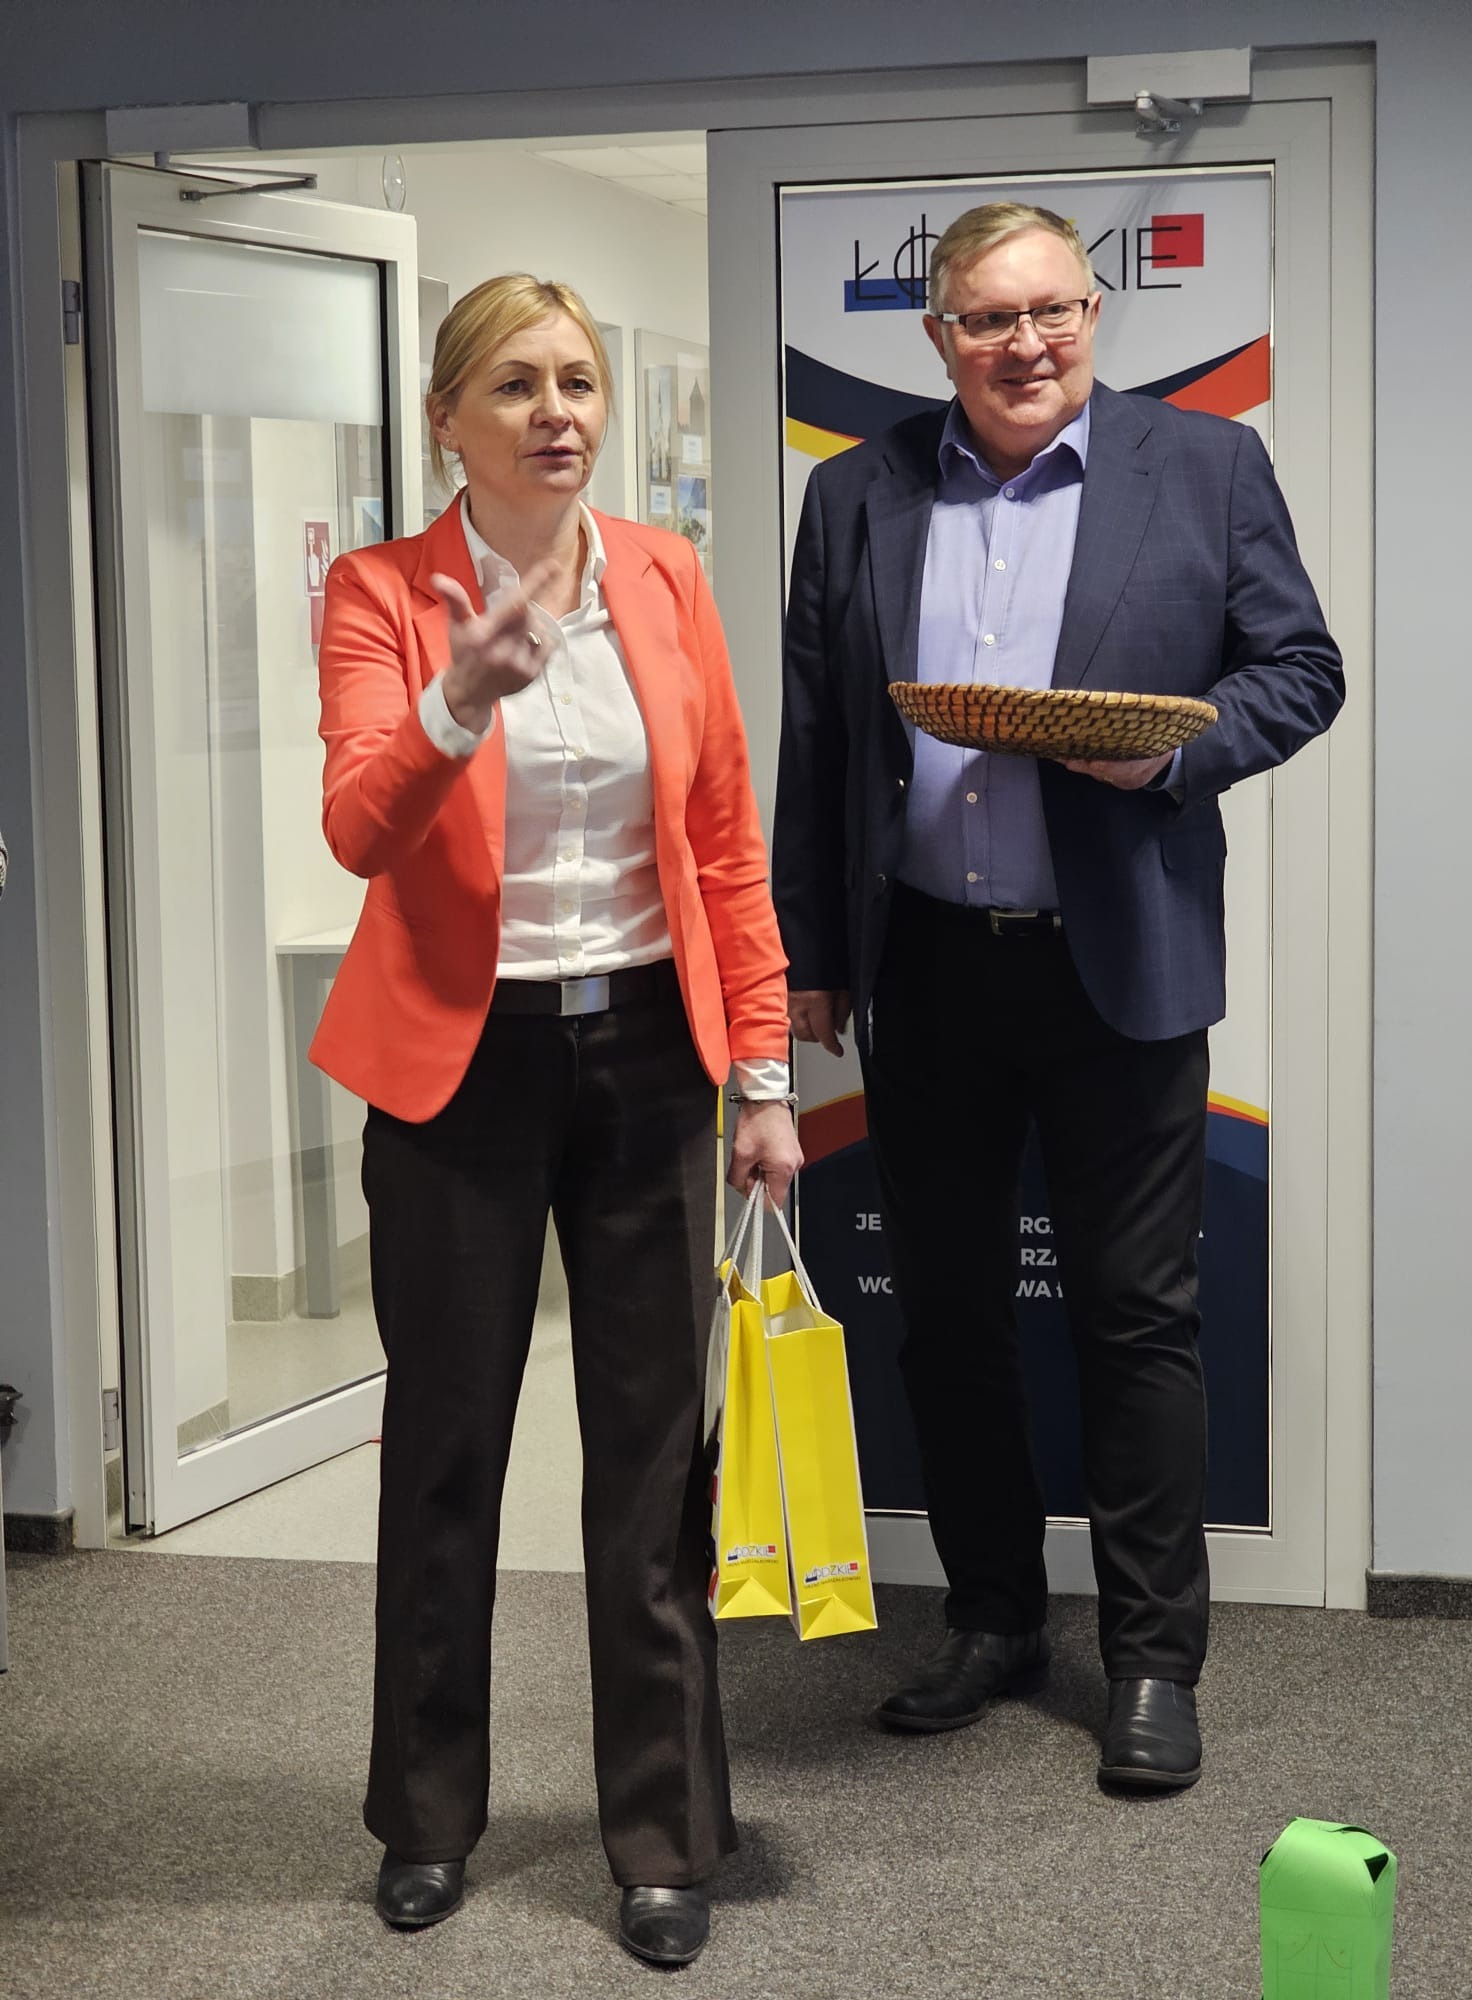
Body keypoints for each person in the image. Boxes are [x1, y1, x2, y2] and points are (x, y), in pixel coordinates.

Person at [773, 203, 1342, 1792]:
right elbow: (819, 737)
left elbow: (1301, 670)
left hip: (1121, 964)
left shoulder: (1205, 467)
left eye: (1055, 312)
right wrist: (810, 949)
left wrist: (1167, 756)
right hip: (928, 965)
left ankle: (1153, 1660)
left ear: (1093, 314)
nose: (1027, 345)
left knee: (1135, 1317)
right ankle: (994, 1618)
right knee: (947, 1314)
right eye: (989, 319)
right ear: (938, 335)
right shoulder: (858, 492)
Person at [311, 273, 800, 1967]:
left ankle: (665, 1835)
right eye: (515, 385)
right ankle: (425, 1817)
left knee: (655, 1465)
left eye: (578, 381)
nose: (557, 413)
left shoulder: (664, 574)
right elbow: (359, 828)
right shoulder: (382, 592)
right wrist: (459, 700)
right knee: (449, 1451)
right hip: (461, 1072)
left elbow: (725, 841)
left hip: (652, 1056)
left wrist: (761, 1078)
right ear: (447, 418)